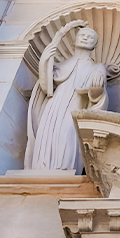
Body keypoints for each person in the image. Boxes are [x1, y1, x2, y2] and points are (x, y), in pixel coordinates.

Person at [26, 21, 109, 172]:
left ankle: (65, 169)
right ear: (74, 40)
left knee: (68, 134)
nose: (85, 38)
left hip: (75, 108)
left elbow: (98, 99)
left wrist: (97, 91)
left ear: (95, 45)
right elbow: (46, 84)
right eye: (82, 35)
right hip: (54, 105)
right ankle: (41, 168)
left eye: (90, 38)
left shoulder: (97, 68)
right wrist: (58, 36)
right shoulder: (61, 66)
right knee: (48, 134)